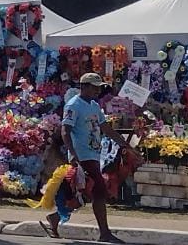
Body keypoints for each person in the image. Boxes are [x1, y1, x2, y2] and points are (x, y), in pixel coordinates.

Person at [45, 73, 140, 243]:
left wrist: (126, 146)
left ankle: (55, 218)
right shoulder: (73, 105)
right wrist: (73, 154)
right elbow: (65, 131)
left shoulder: (95, 106)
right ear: (84, 86)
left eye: (99, 87)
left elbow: (106, 129)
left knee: (87, 193)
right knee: (100, 191)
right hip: (82, 156)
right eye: (95, 87)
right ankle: (104, 233)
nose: (98, 90)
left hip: (94, 154)